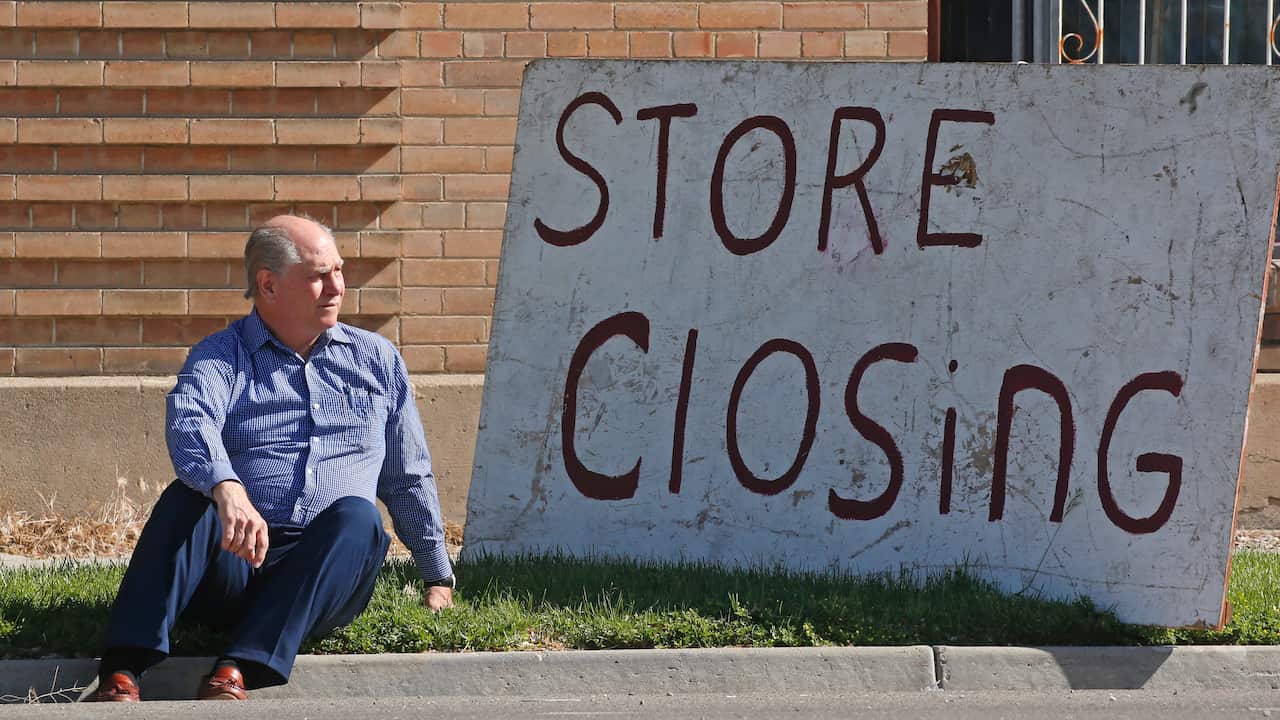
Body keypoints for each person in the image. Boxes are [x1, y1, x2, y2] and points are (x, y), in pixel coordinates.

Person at [91, 215, 454, 702]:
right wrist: (226, 486)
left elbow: (407, 476)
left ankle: (239, 665)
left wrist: (437, 575)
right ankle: (124, 666)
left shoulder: (377, 361)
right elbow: (189, 420)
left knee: (359, 516)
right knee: (187, 498)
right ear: (269, 285)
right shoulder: (222, 356)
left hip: (326, 574)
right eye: (319, 274)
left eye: (339, 271)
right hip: (237, 561)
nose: (337, 286)